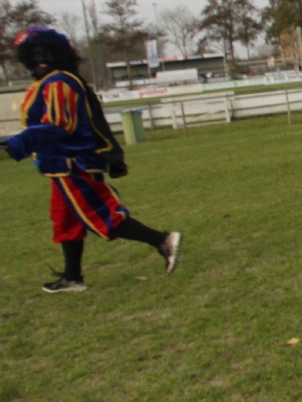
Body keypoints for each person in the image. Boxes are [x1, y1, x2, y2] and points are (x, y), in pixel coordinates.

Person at [2, 27, 182, 293]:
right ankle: (72, 277)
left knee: (102, 215)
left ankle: (163, 240)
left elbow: (59, 124)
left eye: (45, 53)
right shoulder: (46, 83)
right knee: (65, 221)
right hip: (57, 167)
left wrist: (17, 143)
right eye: (35, 54)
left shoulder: (60, 82)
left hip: (74, 163)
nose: (40, 60)